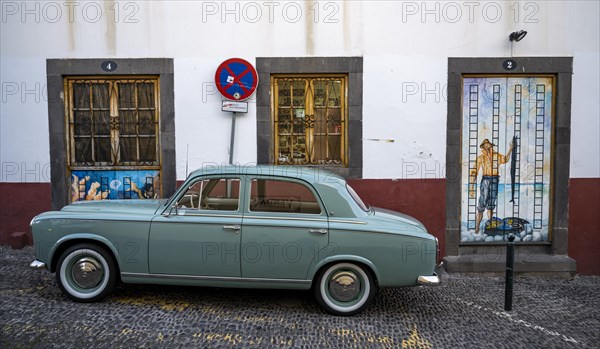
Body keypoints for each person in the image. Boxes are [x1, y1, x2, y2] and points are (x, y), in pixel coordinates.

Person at [469, 139, 513, 234]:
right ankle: (477, 228)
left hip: (495, 179)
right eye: (485, 144)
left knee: (491, 204)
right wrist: (471, 188)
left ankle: (491, 228)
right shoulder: (481, 158)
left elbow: (505, 159)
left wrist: (510, 149)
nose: (487, 145)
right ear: (483, 146)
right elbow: (473, 172)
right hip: (485, 180)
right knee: (482, 203)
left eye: (488, 143)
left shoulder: (497, 155)